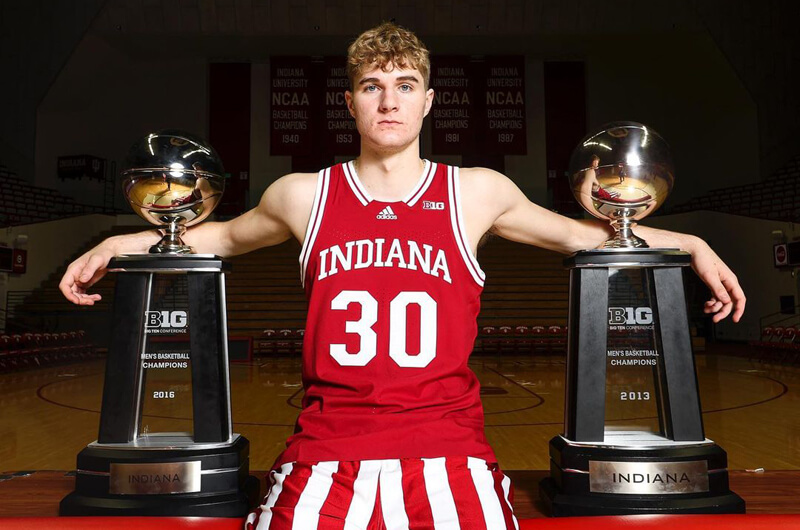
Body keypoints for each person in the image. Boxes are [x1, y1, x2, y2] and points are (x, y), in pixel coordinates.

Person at [59, 22, 745, 530]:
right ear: (351, 103)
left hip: (448, 451)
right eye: (371, 86)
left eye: (404, 86)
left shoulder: (476, 191)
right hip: (327, 448)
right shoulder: (304, 194)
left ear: (427, 102)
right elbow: (217, 237)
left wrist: (690, 242)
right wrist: (123, 240)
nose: (389, 100)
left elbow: (591, 234)